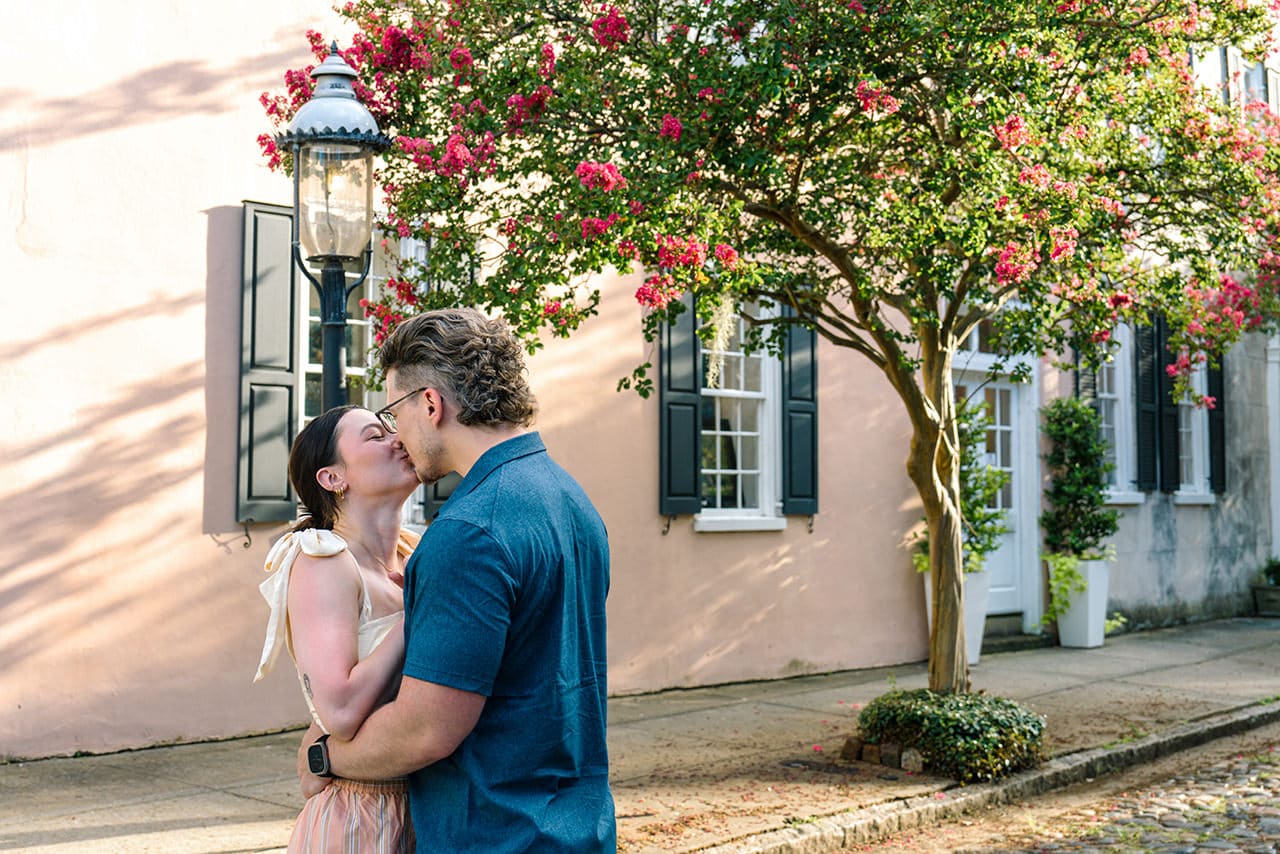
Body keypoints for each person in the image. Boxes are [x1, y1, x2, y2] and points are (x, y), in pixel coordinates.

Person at [300, 307, 616, 852]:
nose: (397, 433)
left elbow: (426, 729)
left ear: (430, 403)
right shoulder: (571, 500)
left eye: (394, 411)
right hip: (580, 828)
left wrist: (323, 756)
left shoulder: (469, 531)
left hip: (493, 835)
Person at [255, 404, 422, 852]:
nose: (398, 439)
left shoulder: (418, 553)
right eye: (374, 436)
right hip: (363, 818)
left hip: (432, 809)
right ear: (333, 478)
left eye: (392, 429)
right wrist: (417, 616)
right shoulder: (323, 561)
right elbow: (341, 711)